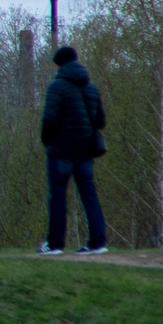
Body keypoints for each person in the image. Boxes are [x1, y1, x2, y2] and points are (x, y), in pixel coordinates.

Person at [39, 45, 109, 256]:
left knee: (58, 197)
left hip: (60, 151)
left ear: (59, 65)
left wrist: (47, 141)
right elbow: (101, 121)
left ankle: (55, 245)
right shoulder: (92, 88)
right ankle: (98, 243)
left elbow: (49, 120)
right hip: (85, 151)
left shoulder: (57, 87)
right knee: (89, 195)